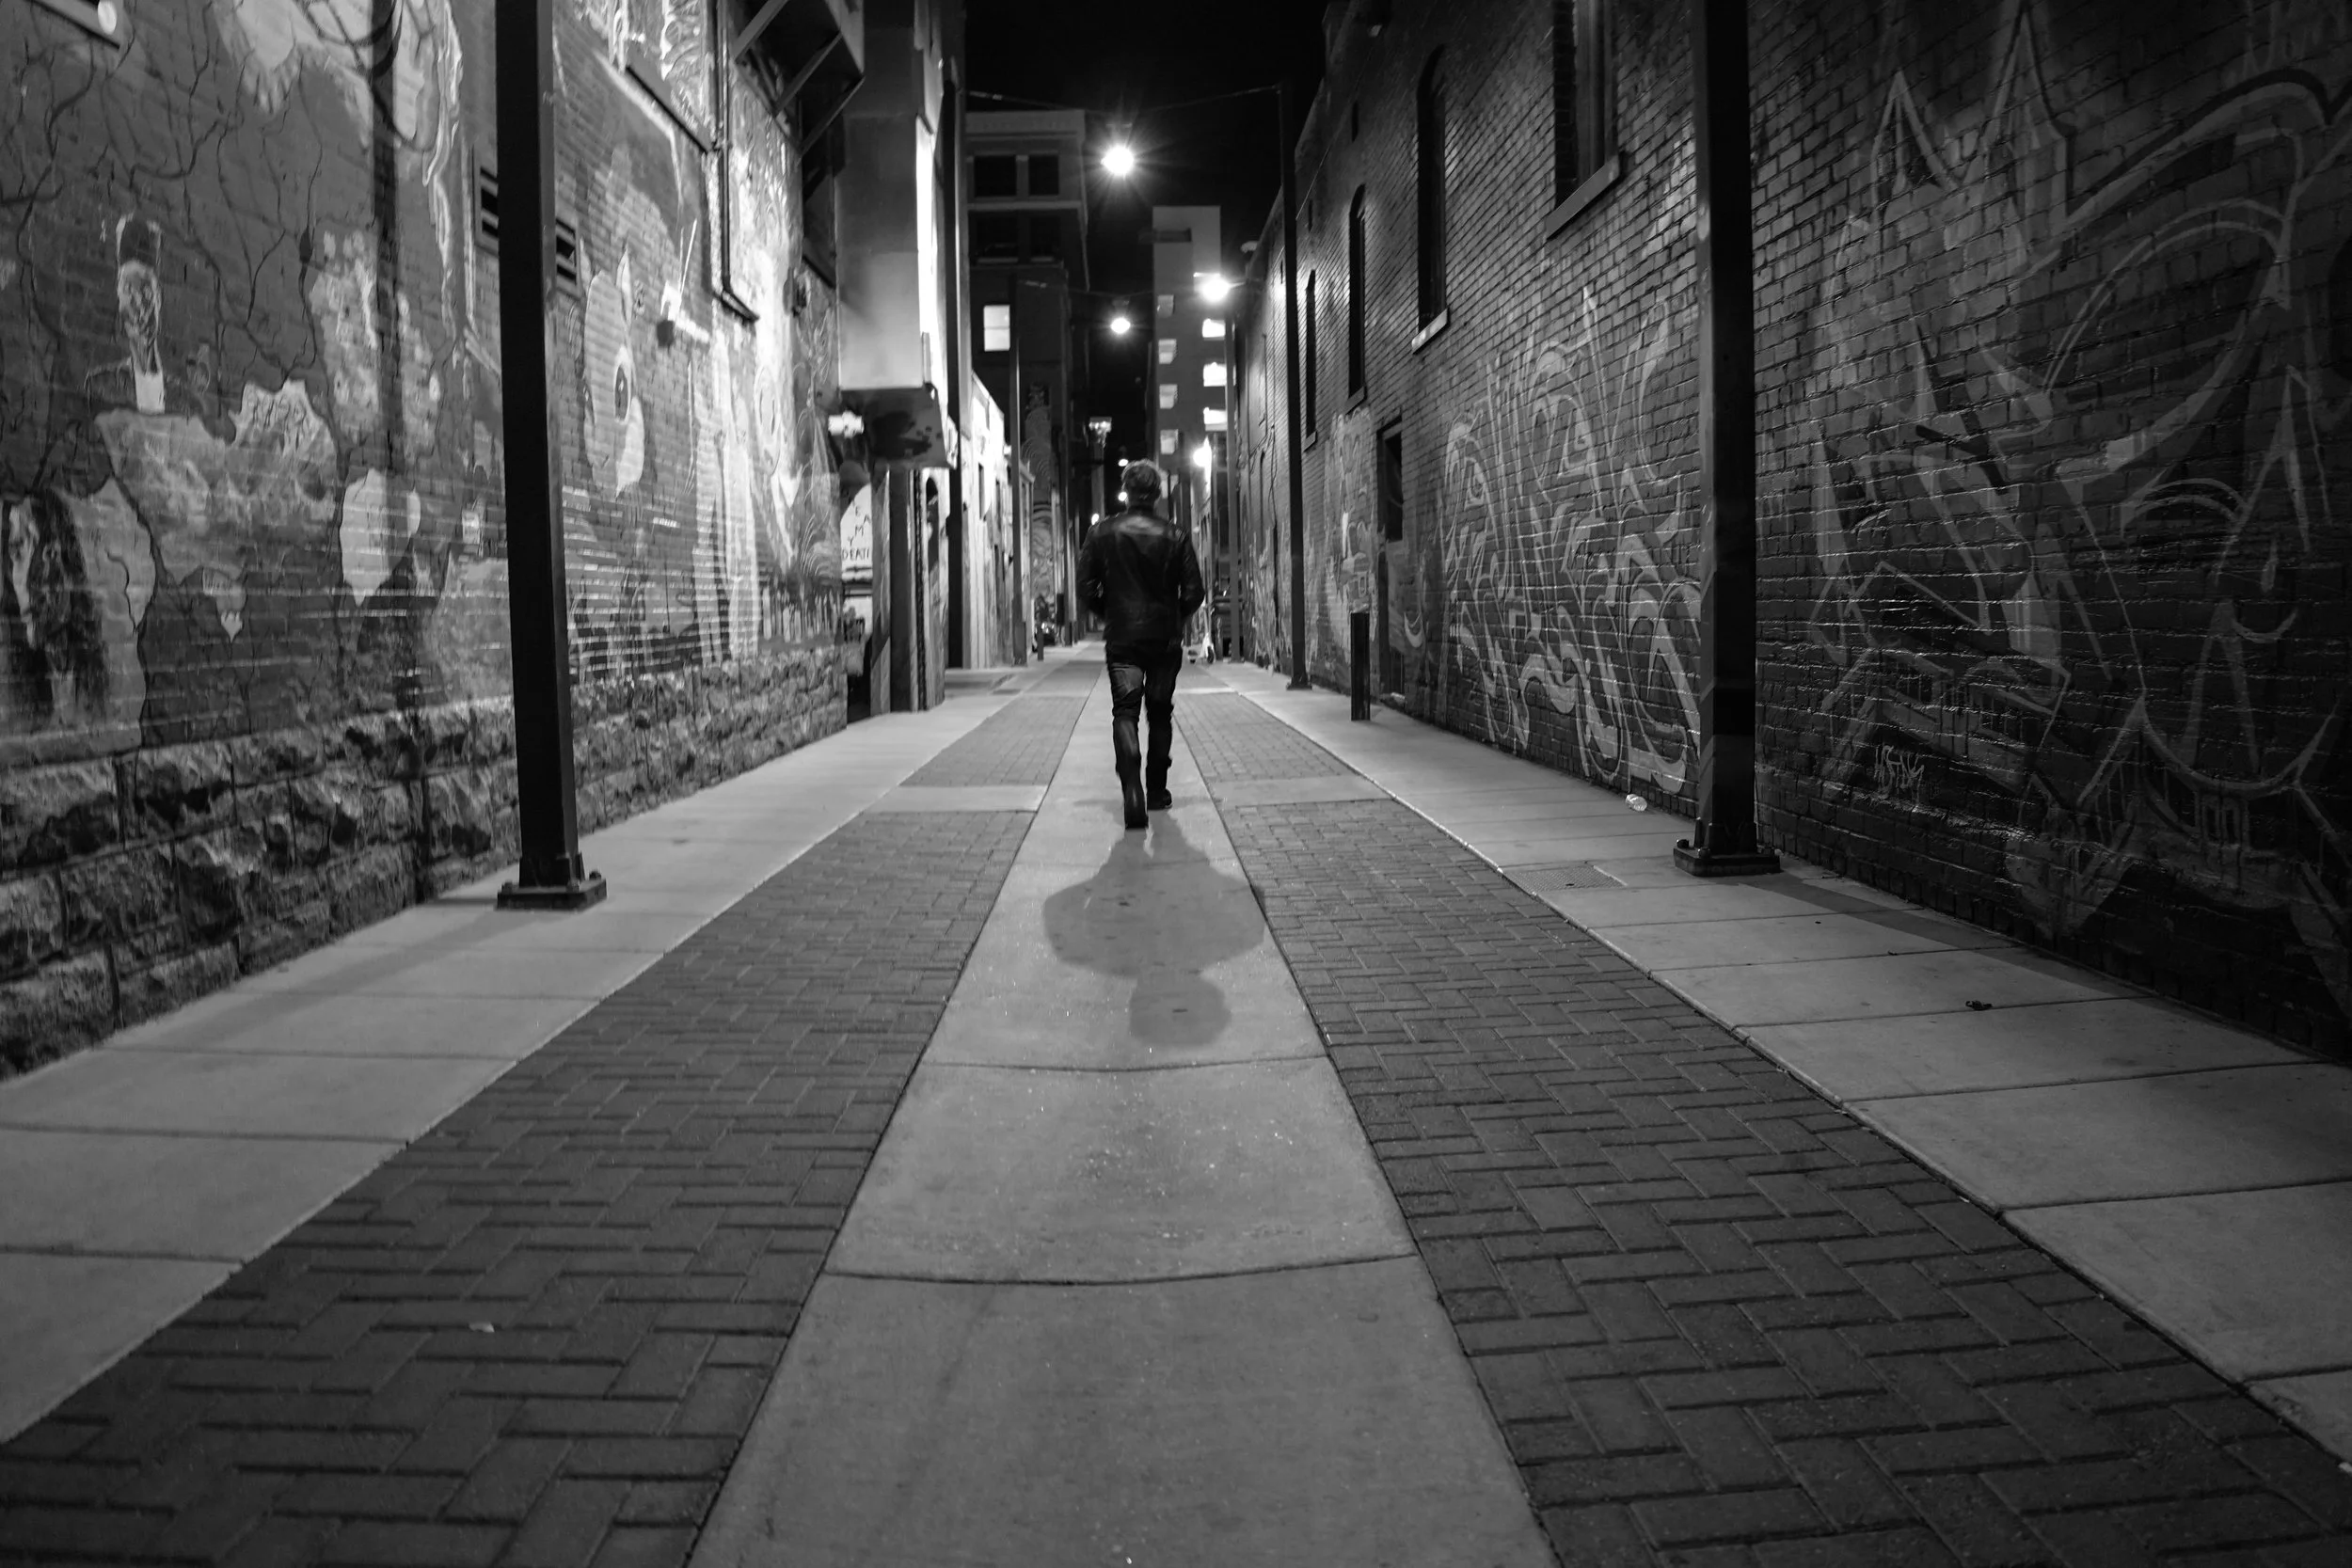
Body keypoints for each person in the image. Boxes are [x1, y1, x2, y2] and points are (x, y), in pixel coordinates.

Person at [1078, 460, 1205, 829]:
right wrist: (1173, 616)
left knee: (1125, 711)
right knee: (1160, 712)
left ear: (1127, 491)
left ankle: (1131, 783)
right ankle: (1157, 790)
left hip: (1123, 639)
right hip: (1164, 640)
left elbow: (1085, 587)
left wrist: (1110, 612)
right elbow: (1194, 592)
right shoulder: (1176, 535)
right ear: (1158, 493)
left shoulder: (1101, 533)